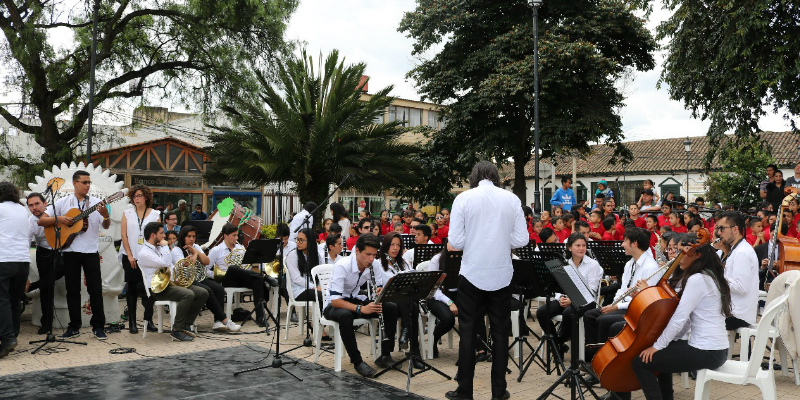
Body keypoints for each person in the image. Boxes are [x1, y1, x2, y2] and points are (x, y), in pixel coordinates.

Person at [445, 161, 528, 400]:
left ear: (474, 176)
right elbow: (522, 240)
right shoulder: (511, 199)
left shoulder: (464, 198)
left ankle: (465, 391)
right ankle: (499, 392)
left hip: (472, 274)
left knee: (468, 333)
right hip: (502, 275)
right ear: (496, 176)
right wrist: (501, 238)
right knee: (501, 333)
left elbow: (456, 243)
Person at [631, 237, 731, 400]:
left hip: (706, 351)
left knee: (640, 362)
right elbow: (685, 321)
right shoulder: (709, 275)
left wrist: (657, 345)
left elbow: (679, 318)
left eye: (682, 252)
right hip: (717, 349)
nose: (678, 257)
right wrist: (664, 344)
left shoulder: (697, 279)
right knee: (663, 352)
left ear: (696, 255)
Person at [38, 170, 110, 340]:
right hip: (70, 252)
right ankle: (74, 326)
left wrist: (106, 216)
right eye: (84, 182)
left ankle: (98, 326)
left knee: (95, 290)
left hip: (91, 252)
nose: (87, 186)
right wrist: (59, 219)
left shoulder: (97, 203)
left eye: (89, 183)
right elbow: (42, 220)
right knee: (72, 291)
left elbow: (106, 226)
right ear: (75, 183)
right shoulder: (63, 202)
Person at [323, 234, 400, 378]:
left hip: (355, 300)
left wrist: (379, 293)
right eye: (368, 254)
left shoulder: (374, 264)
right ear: (357, 251)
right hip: (334, 306)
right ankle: (357, 361)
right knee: (345, 316)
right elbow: (335, 301)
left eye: (374, 255)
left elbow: (378, 287)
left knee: (390, 307)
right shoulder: (342, 266)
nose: (371, 259)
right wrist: (361, 309)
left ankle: (385, 354)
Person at [583, 228, 661, 361]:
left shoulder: (650, 267)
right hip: (625, 306)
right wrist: (614, 304)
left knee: (603, 319)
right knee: (589, 315)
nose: (622, 244)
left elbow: (643, 301)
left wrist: (617, 307)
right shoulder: (630, 263)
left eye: (625, 241)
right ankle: (591, 360)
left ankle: (605, 362)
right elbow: (623, 288)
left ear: (634, 244)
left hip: (636, 312)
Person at [137, 222, 208, 341]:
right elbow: (165, 263)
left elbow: (170, 265)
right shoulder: (144, 253)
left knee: (203, 293)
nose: (164, 235)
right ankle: (177, 330)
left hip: (169, 284)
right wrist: (165, 247)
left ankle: (186, 323)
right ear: (153, 235)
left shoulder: (158, 248)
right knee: (188, 294)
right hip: (157, 288)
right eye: (161, 233)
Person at [536, 233, 602, 349]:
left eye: (583, 245)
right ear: (569, 247)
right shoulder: (564, 262)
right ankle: (557, 345)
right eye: (578, 245)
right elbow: (558, 284)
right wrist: (560, 297)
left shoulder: (593, 264)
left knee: (568, 313)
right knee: (542, 312)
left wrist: (572, 300)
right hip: (566, 297)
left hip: (586, 301)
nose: (581, 248)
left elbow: (592, 291)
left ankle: (560, 342)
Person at [172, 225, 240, 332]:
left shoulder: (196, 246)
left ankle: (218, 321)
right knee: (207, 291)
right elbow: (186, 265)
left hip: (198, 278)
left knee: (218, 289)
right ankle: (225, 320)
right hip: (184, 281)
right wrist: (195, 254)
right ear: (183, 237)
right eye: (189, 236)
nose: (191, 239)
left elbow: (207, 261)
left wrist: (196, 251)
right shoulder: (177, 250)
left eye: (193, 236)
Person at [207, 223, 270, 327]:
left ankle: (260, 316)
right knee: (232, 268)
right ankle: (263, 277)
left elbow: (247, 266)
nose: (236, 238)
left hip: (242, 277)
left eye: (237, 235)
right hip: (227, 279)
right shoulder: (216, 250)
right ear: (225, 236)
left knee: (257, 281)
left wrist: (243, 269)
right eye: (234, 235)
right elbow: (206, 269)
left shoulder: (240, 248)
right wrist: (217, 276)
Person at [119, 184, 161, 334]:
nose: (136, 199)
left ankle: (148, 319)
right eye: (134, 196)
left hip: (148, 257)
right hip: (130, 255)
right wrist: (130, 255)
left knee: (149, 289)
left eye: (139, 196)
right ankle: (132, 321)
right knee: (131, 289)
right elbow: (124, 235)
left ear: (146, 197)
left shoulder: (155, 214)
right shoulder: (127, 213)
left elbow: (158, 236)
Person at [0, 183, 32, 358]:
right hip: (22, 261)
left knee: (2, 299)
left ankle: (7, 338)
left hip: (4, 259)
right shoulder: (22, 210)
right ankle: (13, 335)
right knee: (14, 300)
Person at [26, 193, 62, 335]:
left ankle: (35, 285)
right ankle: (46, 323)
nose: (34, 207)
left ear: (45, 203)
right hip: (44, 253)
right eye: (31, 205)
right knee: (47, 290)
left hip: (64, 249)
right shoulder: (30, 222)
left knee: (61, 271)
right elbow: (26, 245)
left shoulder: (55, 210)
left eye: (37, 204)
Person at [716, 212, 759, 331]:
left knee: (700, 317)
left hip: (738, 314)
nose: (719, 233)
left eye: (722, 228)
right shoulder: (737, 249)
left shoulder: (741, 253)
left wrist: (717, 278)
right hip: (734, 311)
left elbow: (741, 287)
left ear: (735, 229)